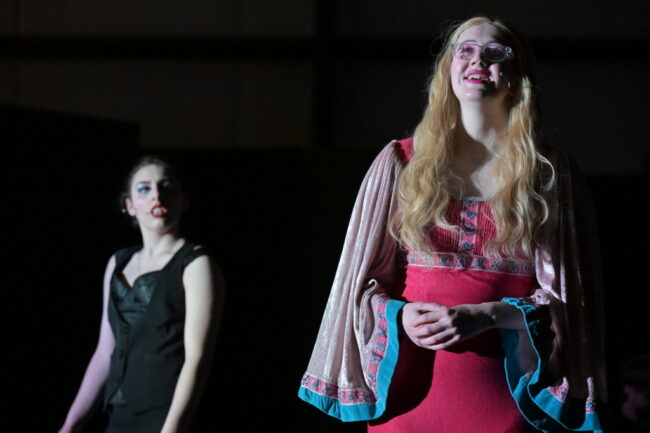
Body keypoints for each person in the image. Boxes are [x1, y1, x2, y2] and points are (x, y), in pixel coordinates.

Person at [298, 16, 606, 433]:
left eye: (497, 52)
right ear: (447, 71)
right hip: (410, 396)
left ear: (517, 77)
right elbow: (357, 287)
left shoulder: (550, 173)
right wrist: (400, 318)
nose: (479, 58)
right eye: (466, 49)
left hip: (504, 398)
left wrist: (489, 314)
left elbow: (571, 301)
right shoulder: (400, 163)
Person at [59, 156, 225, 433]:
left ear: (184, 200)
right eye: (144, 188)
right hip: (119, 414)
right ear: (129, 206)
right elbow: (105, 352)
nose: (156, 195)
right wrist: (70, 424)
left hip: (166, 415)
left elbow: (197, 357)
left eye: (167, 186)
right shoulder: (118, 262)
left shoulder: (196, 264)